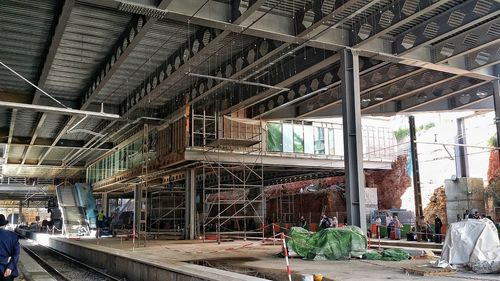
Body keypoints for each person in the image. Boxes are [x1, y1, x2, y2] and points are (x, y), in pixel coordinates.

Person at [0, 214, 19, 281]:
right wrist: (10, 267)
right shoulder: (13, 236)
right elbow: (16, 254)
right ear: (5, 224)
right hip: (6, 270)